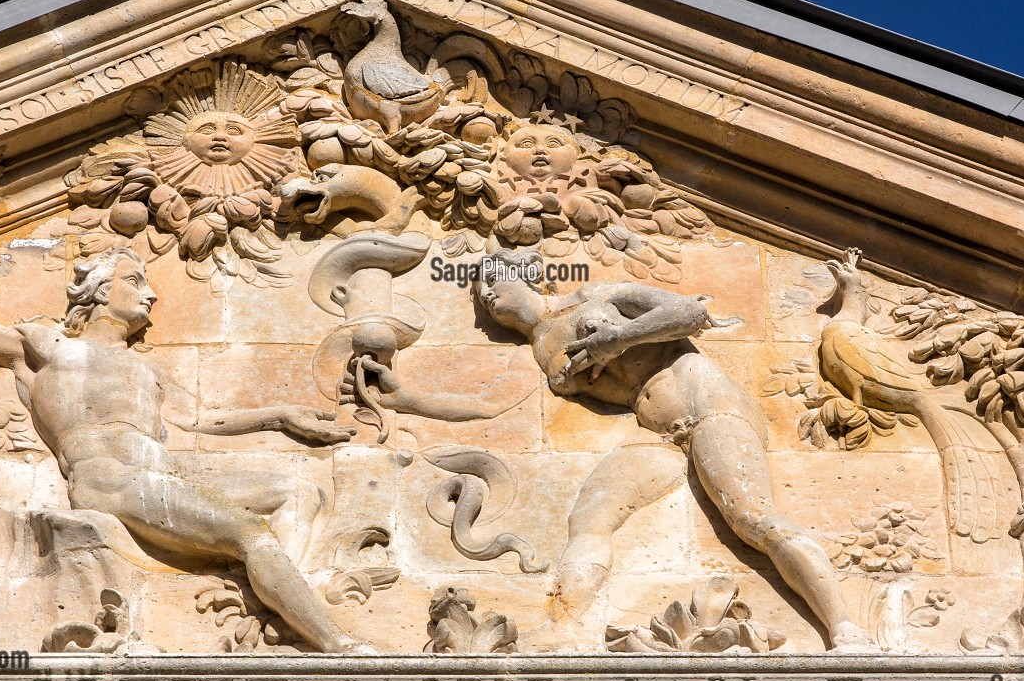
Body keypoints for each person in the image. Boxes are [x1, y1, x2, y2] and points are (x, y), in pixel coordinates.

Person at [0, 167, 371, 654]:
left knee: (299, 491)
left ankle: (277, 597)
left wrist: (281, 416)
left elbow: (201, 422)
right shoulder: (48, 345)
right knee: (249, 532)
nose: (151, 295)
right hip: (109, 475)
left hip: (164, 470)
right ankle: (335, 641)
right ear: (97, 289)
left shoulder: (145, 370)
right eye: (135, 281)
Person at [353, 250, 871, 650]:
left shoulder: (594, 298)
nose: (489, 297)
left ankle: (844, 626)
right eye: (483, 294)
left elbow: (687, 314)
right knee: (590, 517)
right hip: (661, 433)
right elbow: (493, 407)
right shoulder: (541, 350)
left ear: (532, 280)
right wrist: (407, 397)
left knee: (753, 519)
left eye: (495, 282)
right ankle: (566, 629)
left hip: (706, 403)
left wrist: (615, 340)